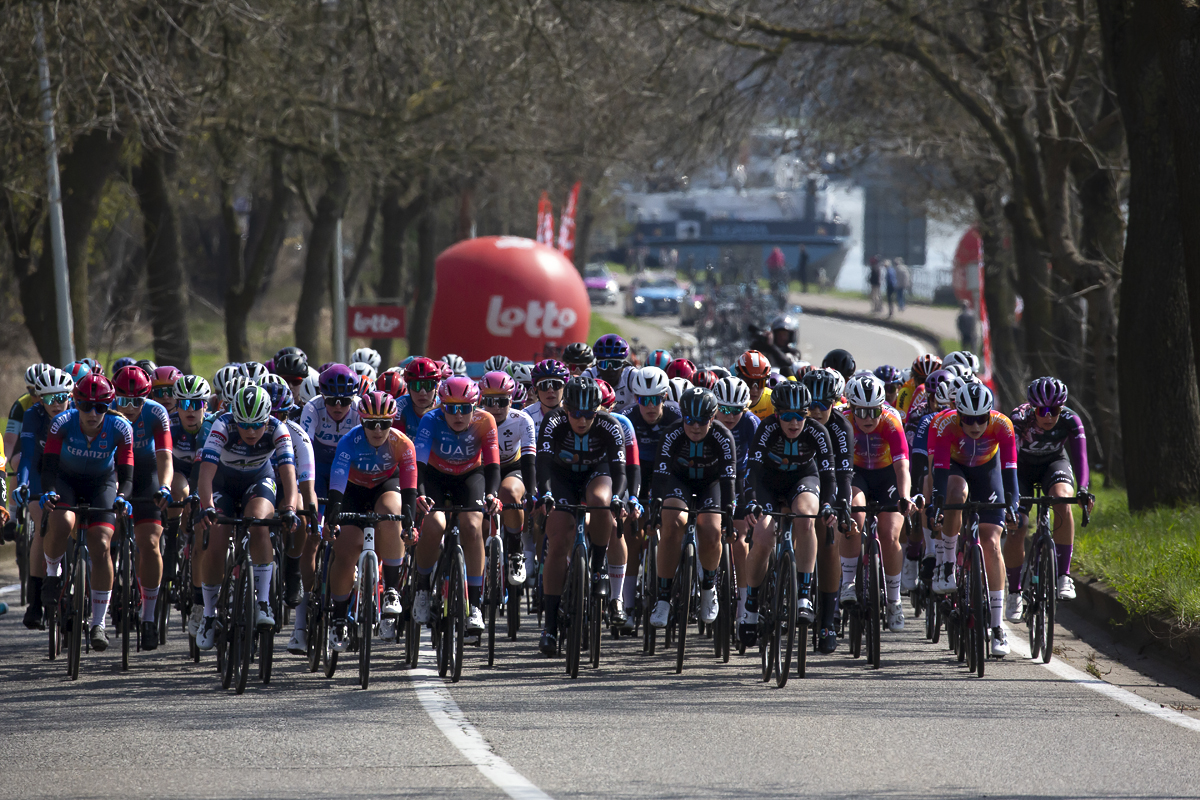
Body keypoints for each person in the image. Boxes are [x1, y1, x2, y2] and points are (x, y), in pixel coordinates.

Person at [195, 386, 299, 650]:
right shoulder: (223, 425)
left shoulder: (278, 429)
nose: (251, 432)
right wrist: (206, 506)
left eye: (257, 426)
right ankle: (209, 614)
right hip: (222, 486)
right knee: (217, 538)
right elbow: (205, 473)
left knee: (260, 524)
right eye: (244, 425)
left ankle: (263, 601)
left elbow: (288, 474)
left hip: (258, 481)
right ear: (234, 418)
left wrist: (289, 508)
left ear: (267, 419)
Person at [40, 373, 135, 652]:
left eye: (101, 408)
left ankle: (98, 622)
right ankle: (52, 574)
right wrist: (47, 491)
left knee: (102, 544)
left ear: (109, 407)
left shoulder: (121, 427)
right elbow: (48, 467)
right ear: (75, 404)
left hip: (101, 484)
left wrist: (122, 498)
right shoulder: (62, 423)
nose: (93, 414)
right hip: (65, 482)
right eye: (85, 407)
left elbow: (127, 475)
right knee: (62, 521)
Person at [740, 381, 836, 645]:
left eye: (800, 416)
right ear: (777, 414)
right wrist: (751, 502)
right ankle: (750, 606)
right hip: (769, 484)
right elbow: (754, 473)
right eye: (787, 416)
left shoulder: (817, 432)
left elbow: (829, 475)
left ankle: (804, 594)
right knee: (762, 535)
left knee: (806, 519)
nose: (794, 423)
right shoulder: (767, 428)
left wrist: (828, 504)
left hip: (802, 480)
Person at [534, 377, 625, 656]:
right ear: (566, 408)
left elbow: (620, 471)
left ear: (598, 411)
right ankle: (549, 626)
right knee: (559, 538)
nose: (582, 421)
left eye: (589, 415)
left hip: (596, 473)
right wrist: (546, 494)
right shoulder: (554, 422)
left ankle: (598, 568)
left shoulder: (611, 424)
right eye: (575, 414)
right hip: (561, 478)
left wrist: (618, 497)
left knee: (601, 502)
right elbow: (543, 464)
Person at [928, 381, 1019, 657]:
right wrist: (938, 507)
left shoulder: (1003, 426)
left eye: (981, 419)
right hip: (955, 468)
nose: (976, 426)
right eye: (969, 419)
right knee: (955, 493)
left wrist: (1013, 505)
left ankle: (997, 626)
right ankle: (946, 564)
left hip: (987, 471)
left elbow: (1010, 471)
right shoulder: (945, 426)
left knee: (991, 543)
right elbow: (940, 474)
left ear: (990, 414)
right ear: (958, 414)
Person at [323, 391, 418, 652]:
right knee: (347, 550)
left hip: (384, 485)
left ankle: (390, 590)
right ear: (361, 422)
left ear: (392, 422)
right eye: (371, 424)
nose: (378, 430)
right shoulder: (349, 442)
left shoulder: (402, 443)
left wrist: (409, 524)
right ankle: (339, 617)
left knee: (392, 513)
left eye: (384, 424)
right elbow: (337, 485)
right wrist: (332, 518)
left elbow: (410, 489)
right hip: (352, 490)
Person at [412, 376, 501, 638]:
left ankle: (474, 605)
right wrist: (421, 494)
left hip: (469, 476)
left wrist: (493, 495)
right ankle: (422, 588)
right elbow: (418, 465)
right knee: (435, 523)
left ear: (475, 406)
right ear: (442, 407)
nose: (458, 415)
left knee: (473, 526)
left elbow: (494, 464)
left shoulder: (485, 421)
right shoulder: (431, 419)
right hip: (435, 477)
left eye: (465, 408)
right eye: (451, 408)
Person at [1004, 377, 1094, 621]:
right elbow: (1008, 462)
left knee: (1063, 501)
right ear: (1032, 407)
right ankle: (1013, 592)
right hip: (1020, 470)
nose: (1048, 415)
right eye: (1042, 410)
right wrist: (1011, 501)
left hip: (1053, 465)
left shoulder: (1070, 420)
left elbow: (1081, 459)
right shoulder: (1018, 420)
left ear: (1061, 408)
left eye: (1054, 410)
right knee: (1018, 526)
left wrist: (1083, 490)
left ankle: (1063, 575)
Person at [649, 387, 736, 629]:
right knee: (673, 522)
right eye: (690, 420)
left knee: (710, 530)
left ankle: (708, 587)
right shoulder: (672, 433)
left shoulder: (723, 435)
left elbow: (729, 479)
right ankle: (664, 597)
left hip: (711, 484)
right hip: (679, 483)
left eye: (702, 421)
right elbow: (660, 473)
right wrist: (655, 504)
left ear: (713, 417)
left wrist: (728, 513)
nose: (695, 427)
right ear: (682, 416)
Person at [839, 375, 915, 632]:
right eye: (861, 411)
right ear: (851, 408)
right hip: (856, 474)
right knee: (853, 516)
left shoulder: (891, 422)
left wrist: (905, 496)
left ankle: (894, 601)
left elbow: (902, 465)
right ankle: (847, 582)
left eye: (874, 411)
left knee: (890, 533)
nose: (868, 418)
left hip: (887, 477)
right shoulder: (843, 420)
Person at [110, 365, 174, 651]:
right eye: (123, 401)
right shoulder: (104, 409)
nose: (131, 407)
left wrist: (165, 487)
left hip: (146, 473)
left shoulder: (156, 413)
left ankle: (148, 617)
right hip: (111, 473)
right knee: (104, 538)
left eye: (137, 401)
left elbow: (165, 457)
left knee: (149, 542)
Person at [14, 367, 72, 630]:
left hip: (70, 474)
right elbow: (26, 456)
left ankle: (78, 589)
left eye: (60, 397)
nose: (55, 404)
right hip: (40, 473)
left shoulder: (78, 416)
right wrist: (23, 484)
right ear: (39, 399)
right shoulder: (32, 415)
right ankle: (35, 601)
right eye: (48, 399)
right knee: (42, 525)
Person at [477, 371, 537, 588]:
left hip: (514, 466)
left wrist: (530, 493)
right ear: (481, 399)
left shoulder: (522, 420)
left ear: (511, 400)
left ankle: (515, 552)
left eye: (502, 401)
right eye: (490, 401)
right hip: (482, 468)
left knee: (509, 493)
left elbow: (530, 460)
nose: (496, 407)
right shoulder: (473, 418)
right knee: (478, 517)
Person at [735, 350, 774, 421]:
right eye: (749, 383)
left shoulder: (773, 400)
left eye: (760, 383)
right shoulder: (729, 399)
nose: (754, 390)